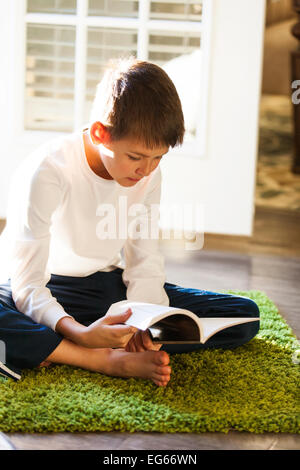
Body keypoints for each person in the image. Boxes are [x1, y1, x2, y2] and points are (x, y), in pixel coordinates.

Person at [0, 57, 260, 387]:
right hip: (35, 289)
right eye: (135, 157)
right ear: (100, 133)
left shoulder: (148, 175)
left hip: (103, 288)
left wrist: (146, 323)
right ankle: (97, 356)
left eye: (158, 158)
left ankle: (80, 341)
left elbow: (145, 261)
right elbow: (27, 285)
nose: (146, 171)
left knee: (244, 316)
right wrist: (78, 330)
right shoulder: (48, 171)